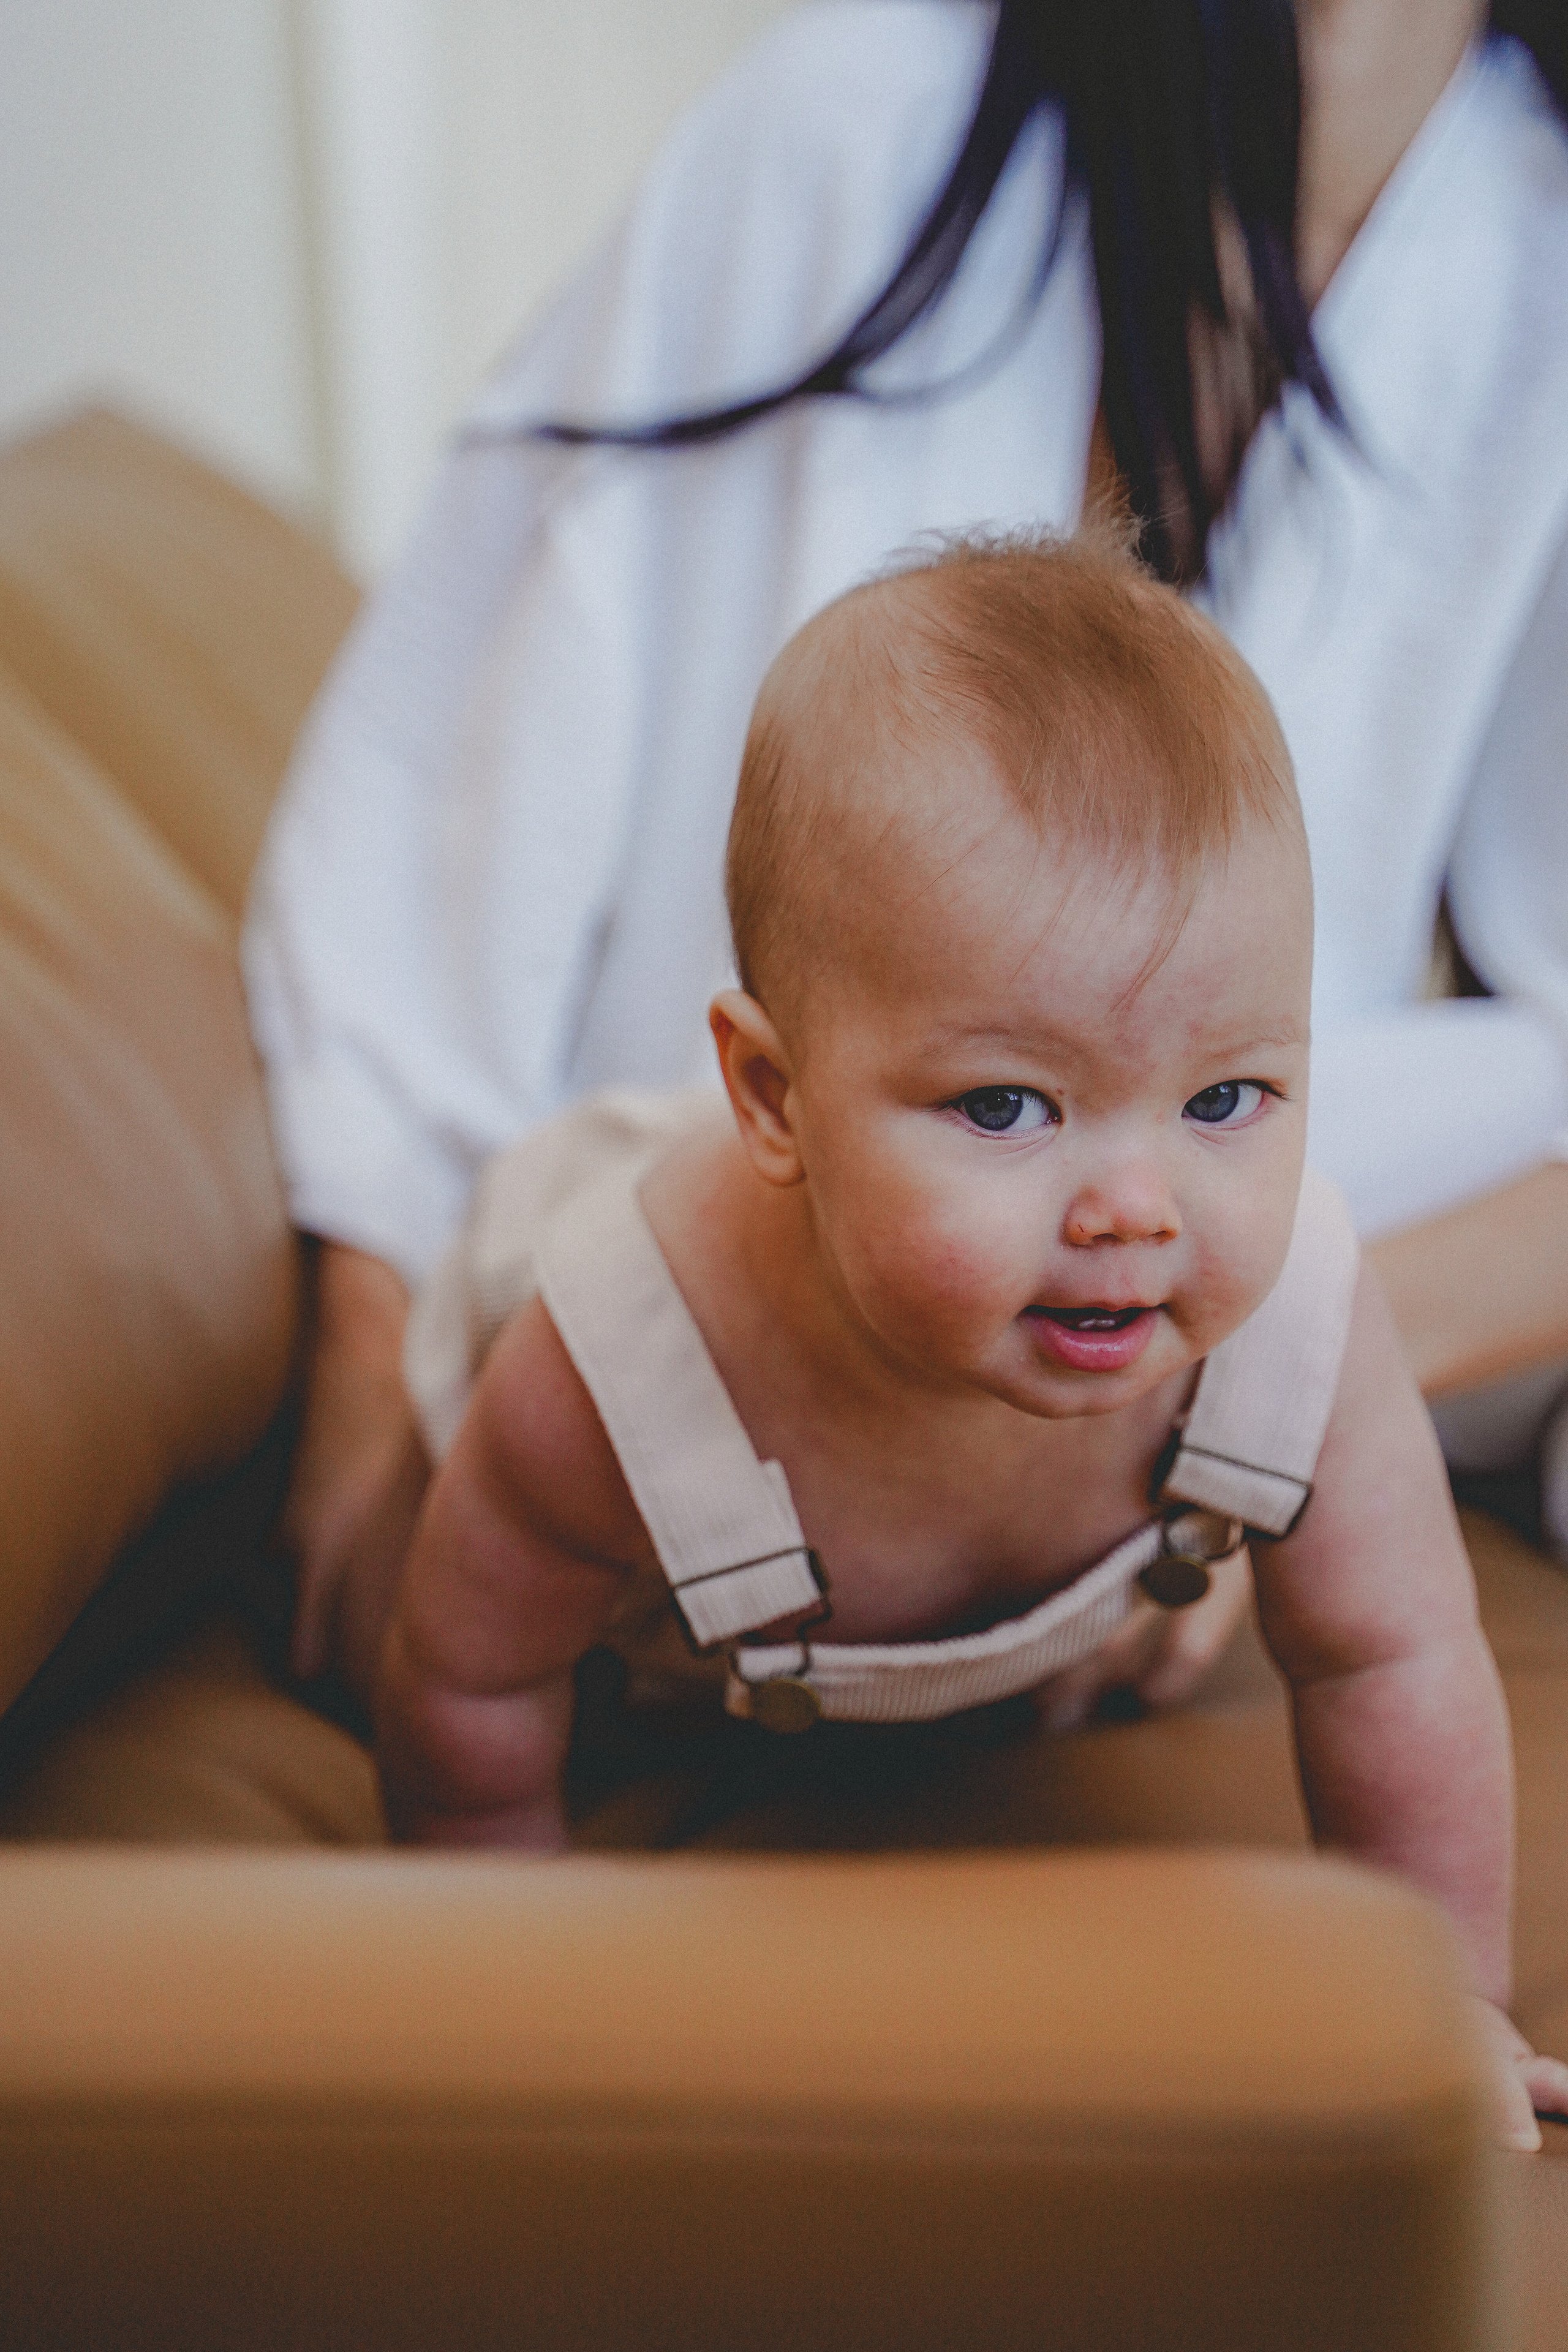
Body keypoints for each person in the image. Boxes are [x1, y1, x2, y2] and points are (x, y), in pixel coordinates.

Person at [242, 0, 1568, 1715]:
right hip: (707, 1217)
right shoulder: (860, 118)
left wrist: (1234, 1398)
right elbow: (443, 805)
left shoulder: (1525, 227)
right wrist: (366, 1417)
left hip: (1215, 1197)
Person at [375, 534, 1568, 2146]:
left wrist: (1454, 2008)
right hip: (666, 1544)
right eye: (1008, 1104)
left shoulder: (1291, 1325)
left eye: (1227, 1097)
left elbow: (1394, 1655)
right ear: (774, 1100)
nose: (1137, 1207)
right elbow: (471, 1680)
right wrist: (494, 1984)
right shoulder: (618, 1367)